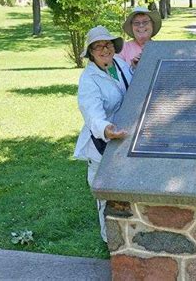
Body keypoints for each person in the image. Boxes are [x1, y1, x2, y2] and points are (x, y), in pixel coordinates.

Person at [73, 25, 133, 242]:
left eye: (107, 44)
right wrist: (107, 129)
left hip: (124, 138)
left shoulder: (120, 64)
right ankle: (109, 241)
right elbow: (91, 112)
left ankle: (128, 237)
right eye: (97, 46)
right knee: (104, 195)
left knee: (124, 189)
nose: (104, 49)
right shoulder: (88, 79)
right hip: (102, 143)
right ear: (91, 53)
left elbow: (131, 88)